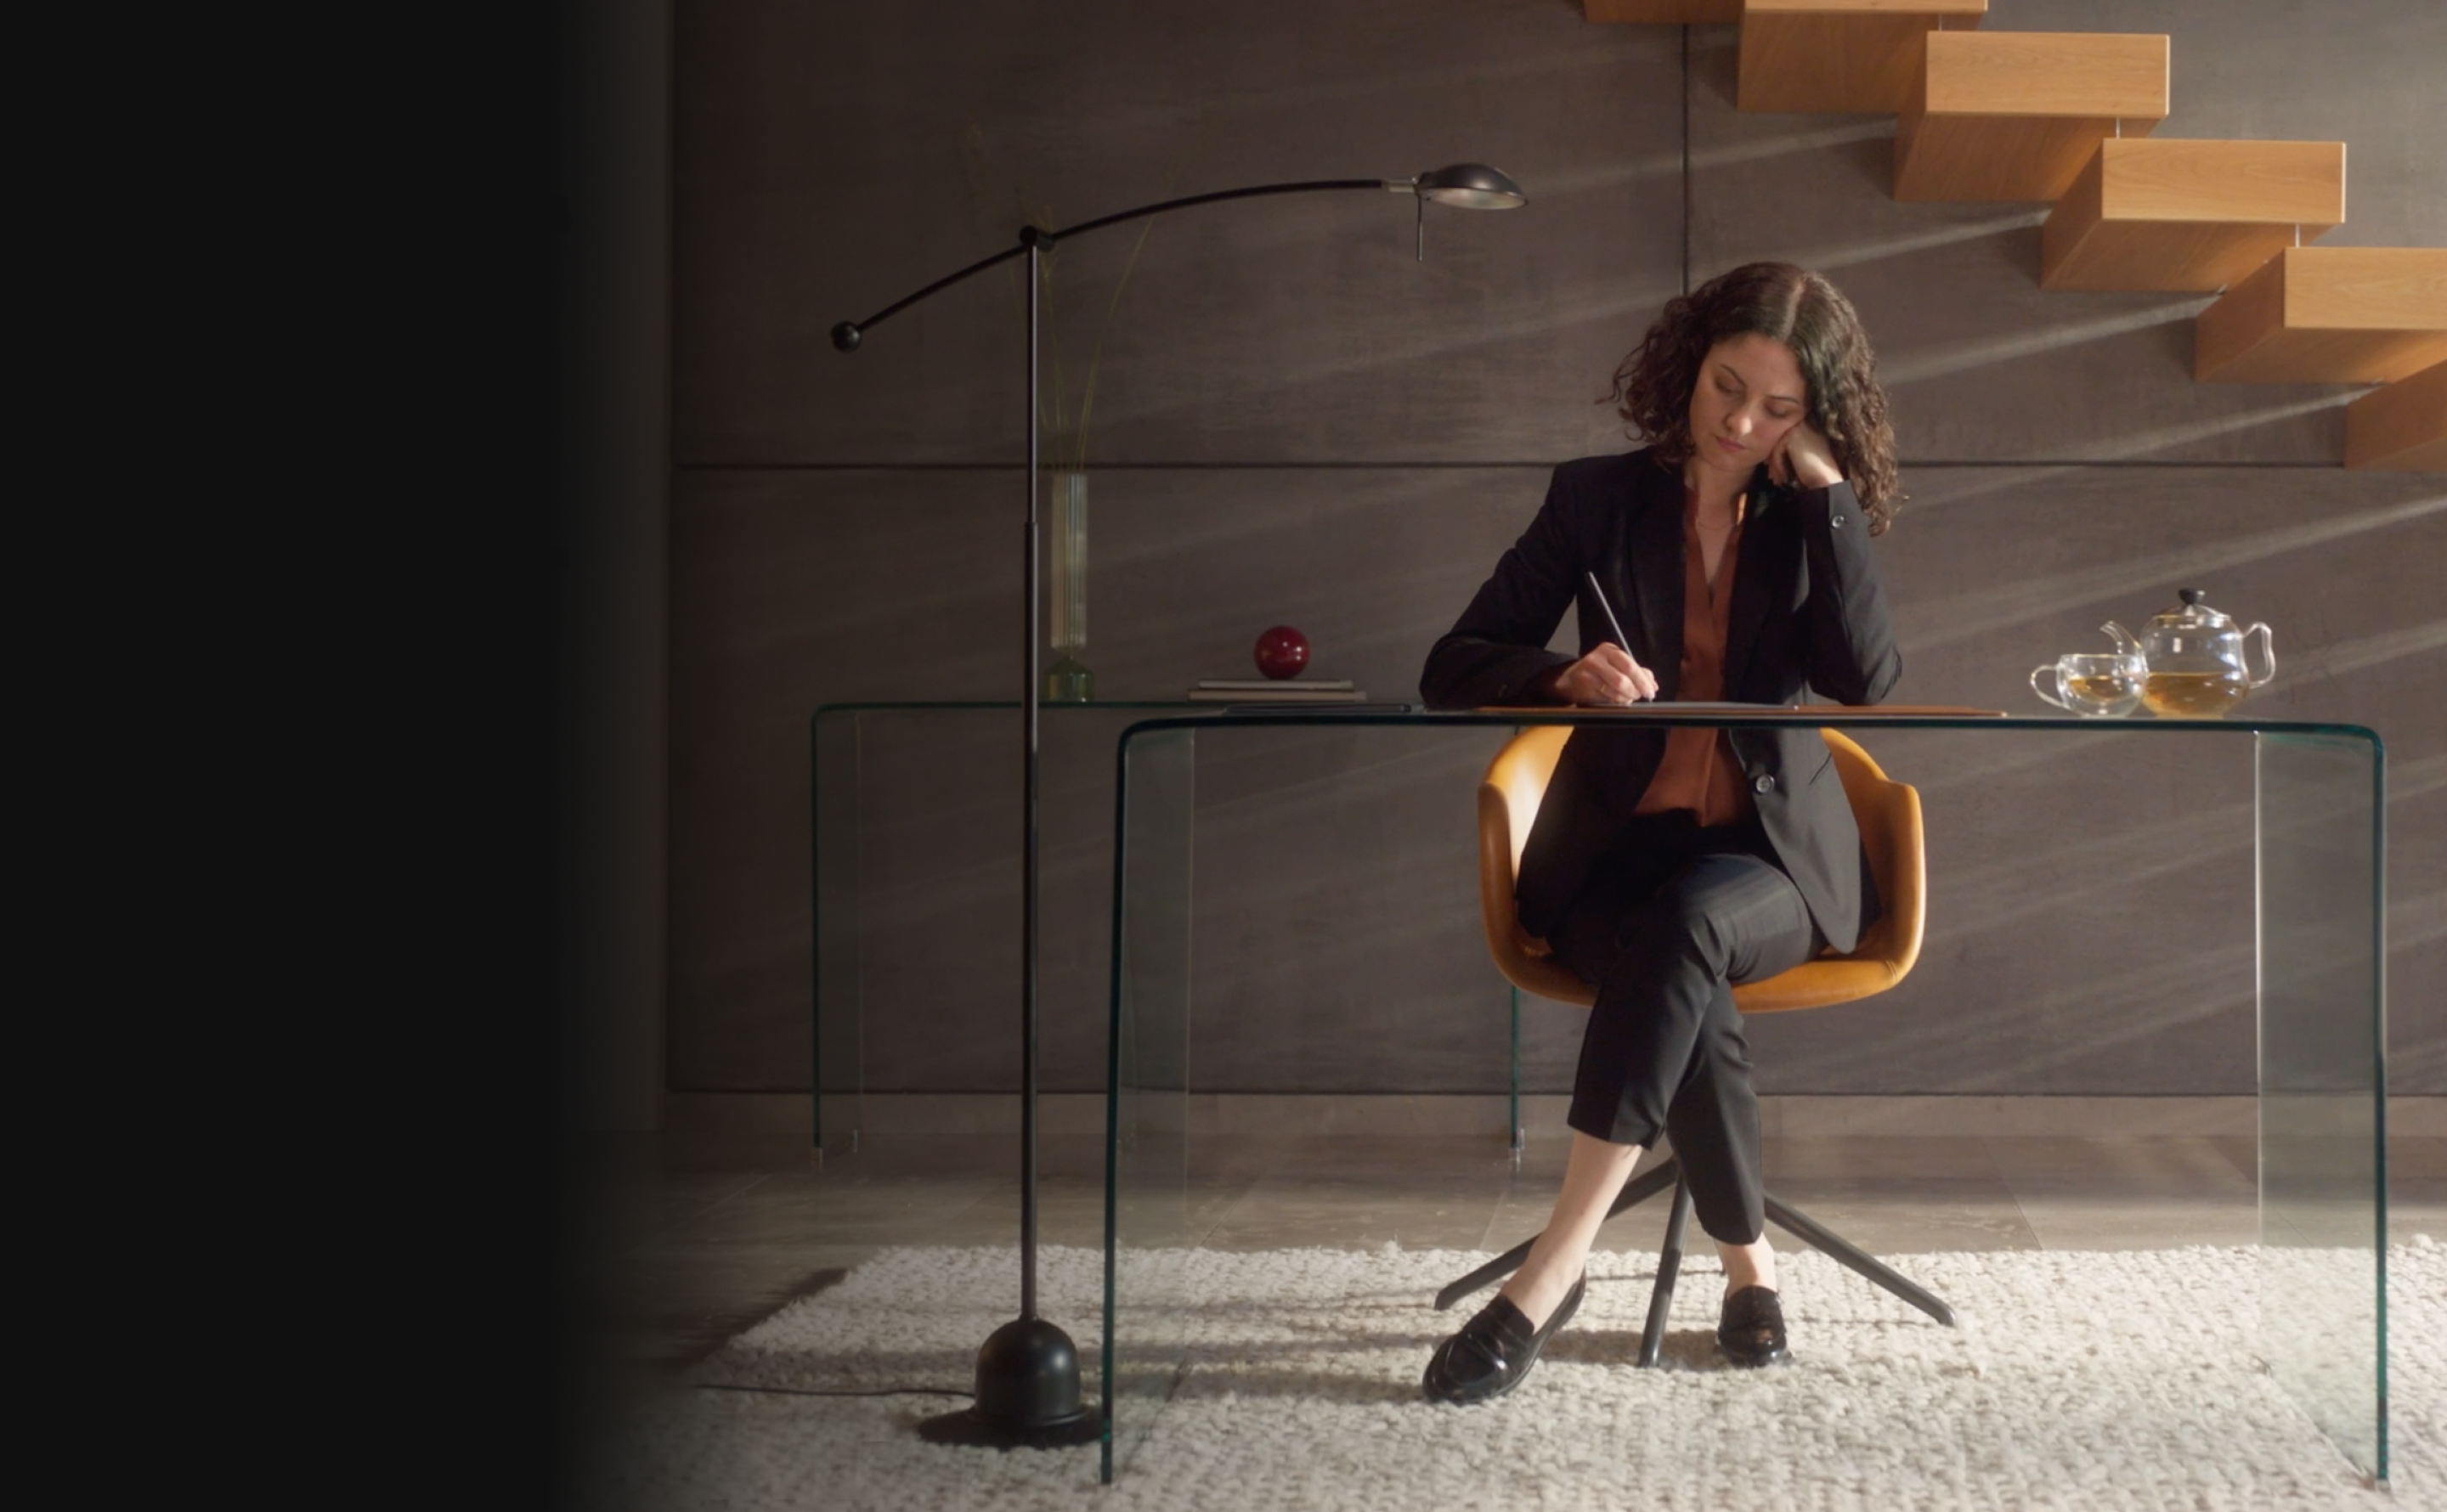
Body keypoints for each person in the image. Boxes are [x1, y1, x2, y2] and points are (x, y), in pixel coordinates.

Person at [1417, 262, 1902, 1402]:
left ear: (1812, 420)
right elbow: (1453, 666)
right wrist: (1559, 672)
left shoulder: (1803, 517)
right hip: (1608, 863)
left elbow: (1866, 679)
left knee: (1688, 928)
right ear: (1688, 363)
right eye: (1726, 386)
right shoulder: (1595, 500)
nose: (1740, 422)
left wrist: (1824, 496)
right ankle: (1751, 1274)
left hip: (1771, 867)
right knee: (1679, 965)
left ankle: (1550, 1271)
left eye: (1777, 408)